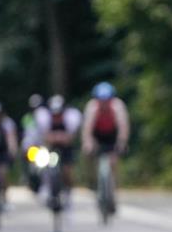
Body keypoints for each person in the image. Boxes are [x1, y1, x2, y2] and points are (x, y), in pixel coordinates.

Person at [81, 82, 130, 212]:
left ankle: (113, 194)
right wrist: (88, 143)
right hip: (97, 135)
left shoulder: (117, 106)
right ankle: (92, 182)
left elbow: (123, 126)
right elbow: (87, 129)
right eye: (101, 100)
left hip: (112, 135)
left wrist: (122, 142)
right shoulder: (92, 107)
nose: (104, 103)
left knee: (113, 163)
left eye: (106, 100)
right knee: (90, 156)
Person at [35, 95, 82, 206]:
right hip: (50, 147)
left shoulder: (71, 118)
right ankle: (45, 187)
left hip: (65, 148)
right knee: (43, 165)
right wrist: (58, 137)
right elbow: (44, 136)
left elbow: (71, 137)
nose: (56, 115)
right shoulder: (44, 118)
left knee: (67, 171)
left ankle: (68, 192)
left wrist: (57, 137)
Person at [21, 94, 45, 193]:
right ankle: (25, 175)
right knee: (26, 158)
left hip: (43, 146)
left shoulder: (45, 117)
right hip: (32, 146)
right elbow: (27, 134)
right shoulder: (27, 118)